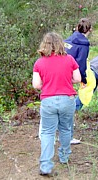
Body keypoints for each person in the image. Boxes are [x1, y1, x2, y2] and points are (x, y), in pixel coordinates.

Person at [32, 32, 81, 176]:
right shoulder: (69, 59)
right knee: (66, 129)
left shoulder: (39, 62)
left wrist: (47, 83)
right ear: (61, 43)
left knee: (47, 132)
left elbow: (36, 85)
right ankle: (64, 157)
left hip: (48, 100)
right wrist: (66, 80)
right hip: (67, 99)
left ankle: (46, 165)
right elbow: (77, 78)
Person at [64, 18, 92, 144]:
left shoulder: (67, 40)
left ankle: (50, 134)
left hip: (57, 73)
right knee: (68, 105)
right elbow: (80, 63)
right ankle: (67, 136)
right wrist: (83, 79)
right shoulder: (84, 44)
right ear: (90, 30)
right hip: (70, 75)